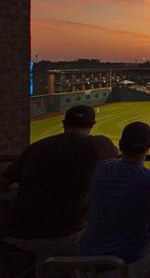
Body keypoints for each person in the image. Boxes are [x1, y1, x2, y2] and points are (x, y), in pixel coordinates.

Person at [0, 105, 118, 263]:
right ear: (92, 125)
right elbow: (124, 165)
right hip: (64, 236)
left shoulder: (37, 146)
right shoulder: (101, 146)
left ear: (64, 122)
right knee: (111, 241)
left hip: (15, 232)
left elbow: (3, 183)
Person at [79, 112, 150, 278]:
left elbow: (124, 163)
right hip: (125, 268)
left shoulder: (103, 169)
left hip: (86, 268)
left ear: (121, 145)